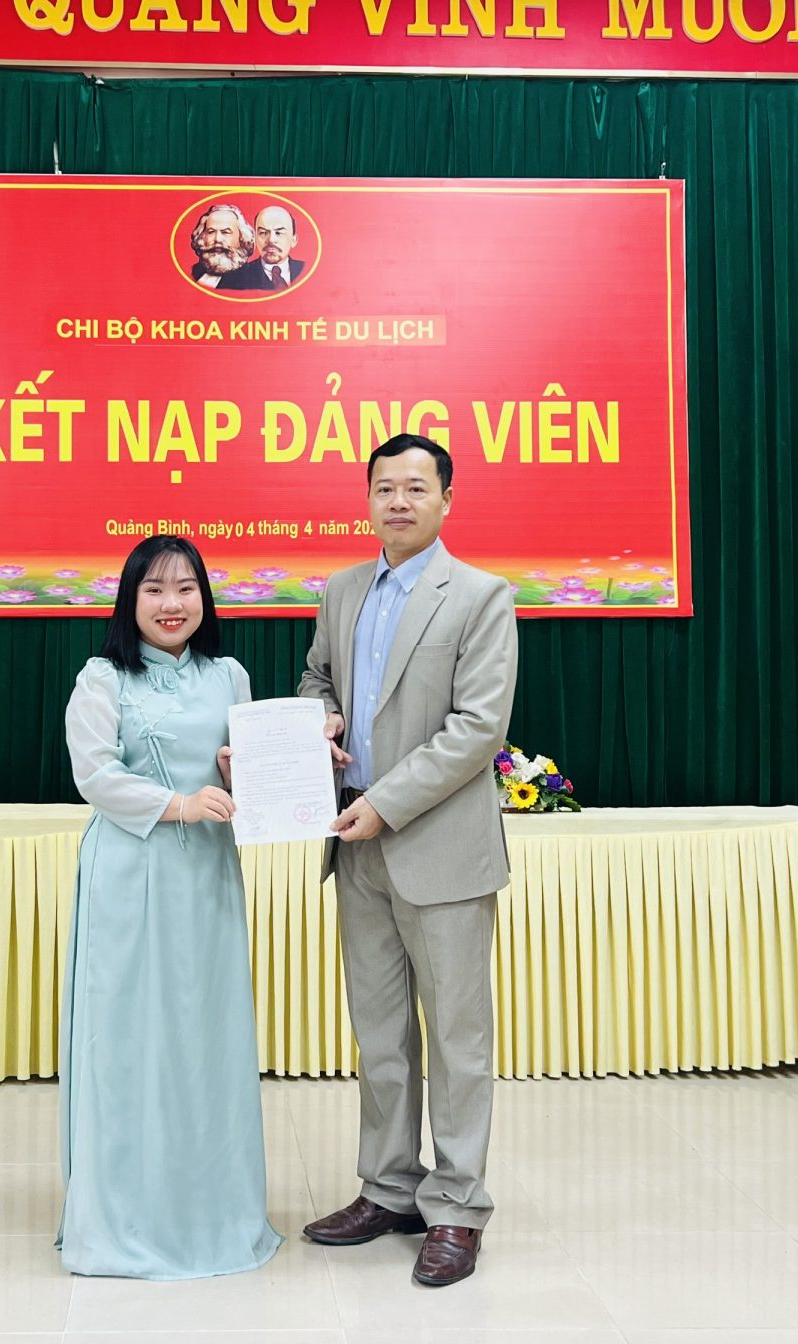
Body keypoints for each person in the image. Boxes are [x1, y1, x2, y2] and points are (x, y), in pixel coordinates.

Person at [298, 433, 517, 1288]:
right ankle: (389, 1187)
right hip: (355, 847)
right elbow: (317, 678)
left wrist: (386, 802)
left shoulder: (482, 597)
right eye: (384, 487)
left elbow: (478, 729)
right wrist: (319, 718)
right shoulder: (342, 590)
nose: (398, 501)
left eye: (416, 487)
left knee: (457, 1037)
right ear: (368, 499)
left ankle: (457, 1206)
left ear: (446, 499)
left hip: (438, 847)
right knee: (380, 1033)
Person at [57, 535, 282, 1279]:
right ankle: (127, 1217)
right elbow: (95, 775)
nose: (171, 604)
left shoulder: (229, 676)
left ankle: (210, 1211)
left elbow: (246, 775)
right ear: (131, 601)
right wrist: (179, 803)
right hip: (129, 871)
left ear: (204, 599)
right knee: (129, 1041)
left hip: (206, 874)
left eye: (186, 588)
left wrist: (283, 768)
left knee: (204, 1037)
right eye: (153, 590)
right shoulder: (102, 678)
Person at [216, 204, 305, 291]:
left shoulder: (306, 272)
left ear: (294, 240)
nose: (271, 240)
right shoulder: (233, 279)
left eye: (279, 233)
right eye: (263, 233)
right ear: (255, 238)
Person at [188, 202, 255, 287]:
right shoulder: (194, 273)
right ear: (202, 237)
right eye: (211, 232)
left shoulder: (252, 279)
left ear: (242, 238)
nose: (217, 239)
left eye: (225, 232)